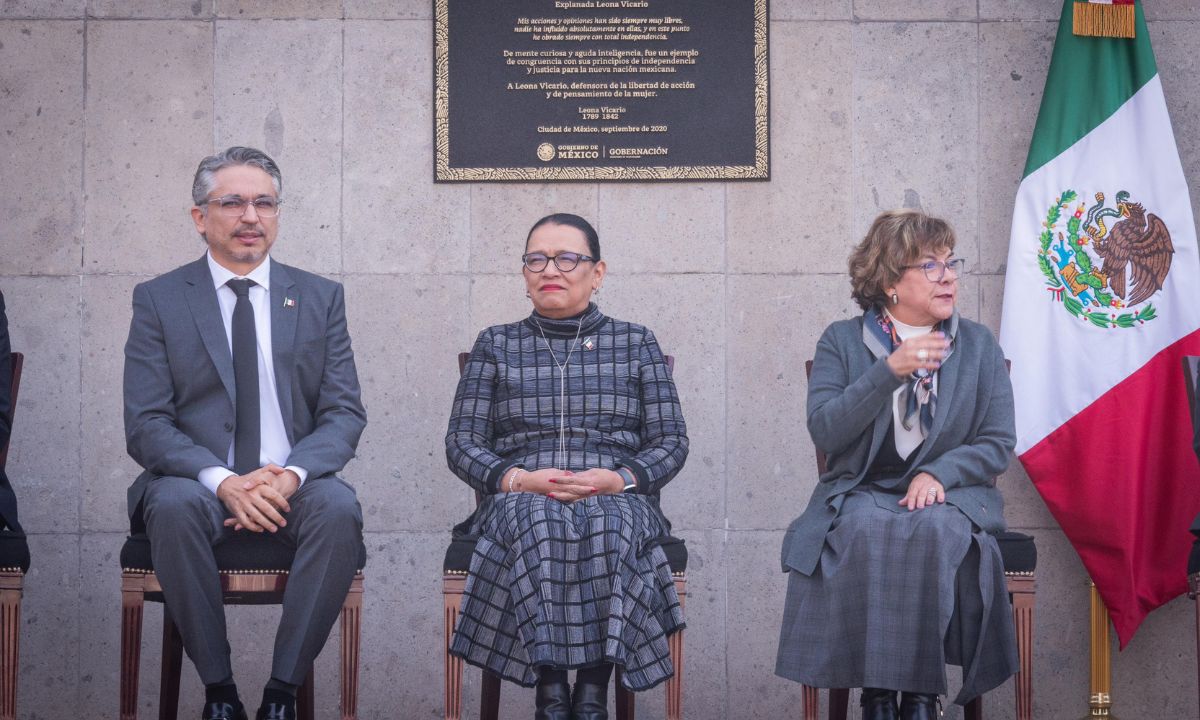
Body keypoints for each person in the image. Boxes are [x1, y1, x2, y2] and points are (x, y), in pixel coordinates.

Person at [123, 147, 366, 720]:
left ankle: (280, 694)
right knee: (174, 503)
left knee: (337, 507)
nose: (250, 215)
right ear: (199, 217)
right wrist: (223, 480)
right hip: (198, 485)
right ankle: (220, 693)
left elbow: (343, 413)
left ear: (278, 214)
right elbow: (146, 422)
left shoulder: (319, 296)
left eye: (264, 202)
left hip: (294, 486)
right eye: (232, 202)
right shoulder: (159, 299)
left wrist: (290, 476)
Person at [775, 210, 1018, 720]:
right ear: (889, 281)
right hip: (864, 490)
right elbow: (826, 430)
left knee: (933, 529)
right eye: (930, 265)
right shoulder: (841, 341)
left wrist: (941, 474)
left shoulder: (978, 345)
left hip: (949, 496)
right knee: (861, 524)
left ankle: (918, 699)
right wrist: (888, 372)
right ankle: (880, 697)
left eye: (951, 263)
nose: (949, 276)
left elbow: (998, 442)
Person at [445, 213, 688, 720]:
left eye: (566, 258)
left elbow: (670, 442)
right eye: (537, 258)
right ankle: (551, 693)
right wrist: (518, 480)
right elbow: (463, 443)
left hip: (616, 492)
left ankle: (592, 694)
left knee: (608, 521)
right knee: (537, 518)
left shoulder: (635, 342)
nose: (549, 269)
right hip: (519, 494)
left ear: (596, 272)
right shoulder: (497, 343)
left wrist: (619, 480)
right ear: (524, 271)